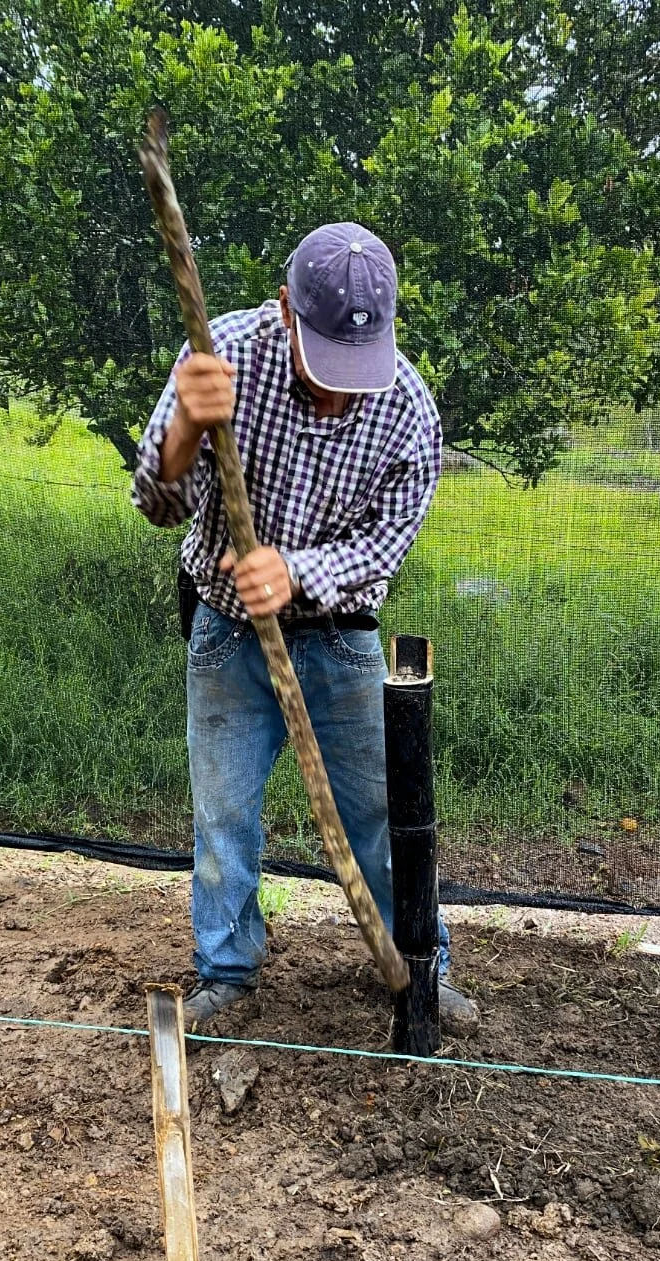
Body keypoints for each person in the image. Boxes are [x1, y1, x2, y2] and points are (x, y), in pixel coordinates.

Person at [131, 221, 478, 1037]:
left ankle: (418, 968)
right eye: (324, 368)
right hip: (225, 633)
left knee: (382, 817)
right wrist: (185, 429)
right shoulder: (219, 361)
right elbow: (157, 504)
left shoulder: (406, 409)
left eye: (352, 372)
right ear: (285, 309)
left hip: (337, 633)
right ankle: (227, 970)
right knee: (223, 822)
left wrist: (295, 571)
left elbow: (383, 545)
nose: (336, 394)